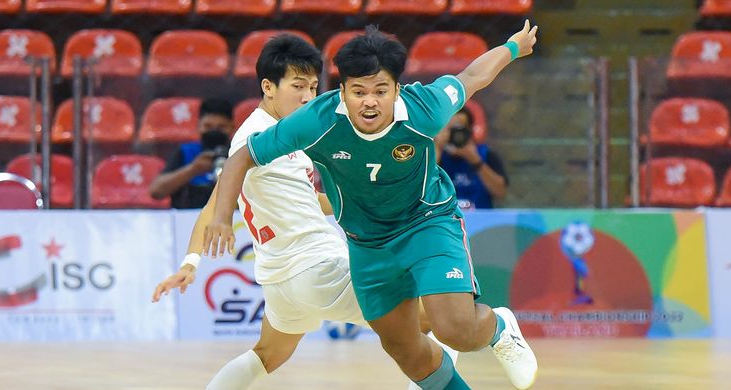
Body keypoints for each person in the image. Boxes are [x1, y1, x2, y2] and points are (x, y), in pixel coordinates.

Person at [202, 22, 540, 390]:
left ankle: (501, 327)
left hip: (426, 224)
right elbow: (241, 158)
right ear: (342, 91)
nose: (370, 101)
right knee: (406, 350)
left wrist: (512, 47)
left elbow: (473, 75)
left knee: (456, 330)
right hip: (367, 244)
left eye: (381, 90)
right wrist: (221, 218)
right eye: (358, 91)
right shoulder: (317, 120)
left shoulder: (424, 107)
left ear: (397, 88)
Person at [151, 34, 458, 390]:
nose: (308, 96)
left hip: (281, 280)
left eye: (313, 86)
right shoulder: (255, 139)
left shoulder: (284, 136)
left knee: (268, 354)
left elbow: (229, 203)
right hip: (318, 266)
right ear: (268, 86)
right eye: (298, 86)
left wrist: (191, 262)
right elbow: (216, 205)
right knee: (435, 319)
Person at [149, 98, 234, 209]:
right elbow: (156, 191)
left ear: (232, 127)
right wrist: (193, 169)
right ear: (199, 126)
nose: (214, 132)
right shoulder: (186, 152)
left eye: (221, 127)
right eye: (208, 126)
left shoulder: (239, 153)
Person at [434, 106, 508, 209]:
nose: (455, 135)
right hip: (445, 220)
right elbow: (423, 188)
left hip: (479, 219)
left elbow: (500, 192)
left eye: (459, 129)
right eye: (450, 130)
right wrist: (437, 148)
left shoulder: (486, 155)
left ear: (469, 130)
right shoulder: (434, 157)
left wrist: (475, 160)